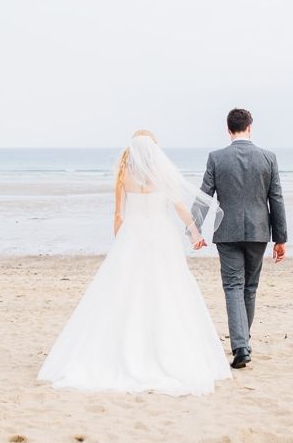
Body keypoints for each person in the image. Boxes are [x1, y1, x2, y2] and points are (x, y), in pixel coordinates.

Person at [37, 130, 232, 394]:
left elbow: (117, 215)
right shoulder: (162, 176)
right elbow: (180, 207)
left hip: (133, 236)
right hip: (161, 237)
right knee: (168, 290)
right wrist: (194, 233)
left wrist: (119, 241)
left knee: (124, 291)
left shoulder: (123, 176)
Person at [194, 108, 288, 369]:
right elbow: (276, 199)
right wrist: (280, 238)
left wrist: (195, 228)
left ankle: (240, 346)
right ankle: (242, 341)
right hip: (259, 231)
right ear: (250, 126)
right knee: (249, 287)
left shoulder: (217, 158)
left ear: (228, 129)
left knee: (233, 287)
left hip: (228, 232)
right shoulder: (268, 158)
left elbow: (204, 195)